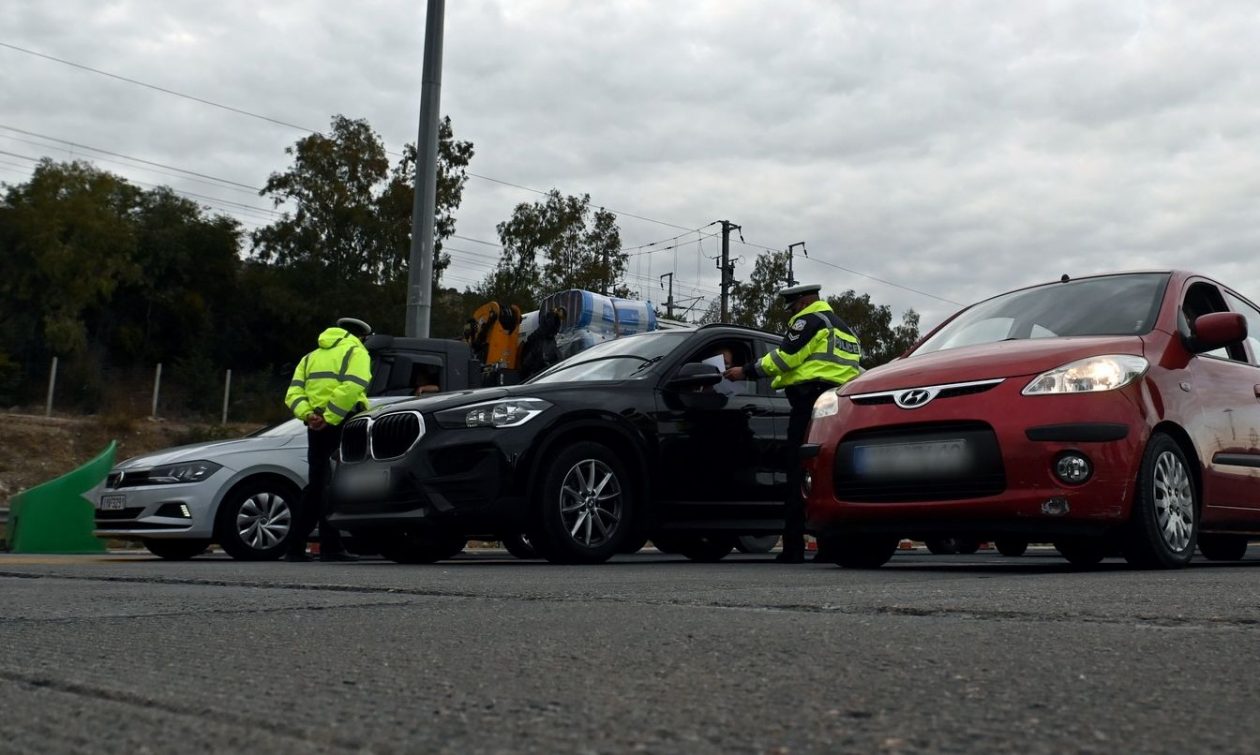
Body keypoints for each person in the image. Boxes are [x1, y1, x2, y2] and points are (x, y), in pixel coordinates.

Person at [723, 284, 861, 563]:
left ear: (805, 300)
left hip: (808, 402)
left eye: (794, 305)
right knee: (824, 474)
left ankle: (793, 548)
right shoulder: (845, 329)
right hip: (837, 405)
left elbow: (784, 359)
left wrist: (745, 371)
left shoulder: (808, 321)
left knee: (797, 473)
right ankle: (829, 547)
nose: (793, 311)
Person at [282, 317, 373, 562]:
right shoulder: (356, 351)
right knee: (335, 483)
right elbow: (354, 386)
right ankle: (331, 546)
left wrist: (310, 415)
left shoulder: (310, 357)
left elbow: (293, 393)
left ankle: (295, 546)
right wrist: (331, 416)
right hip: (343, 422)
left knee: (316, 484)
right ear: (360, 336)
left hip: (315, 425)